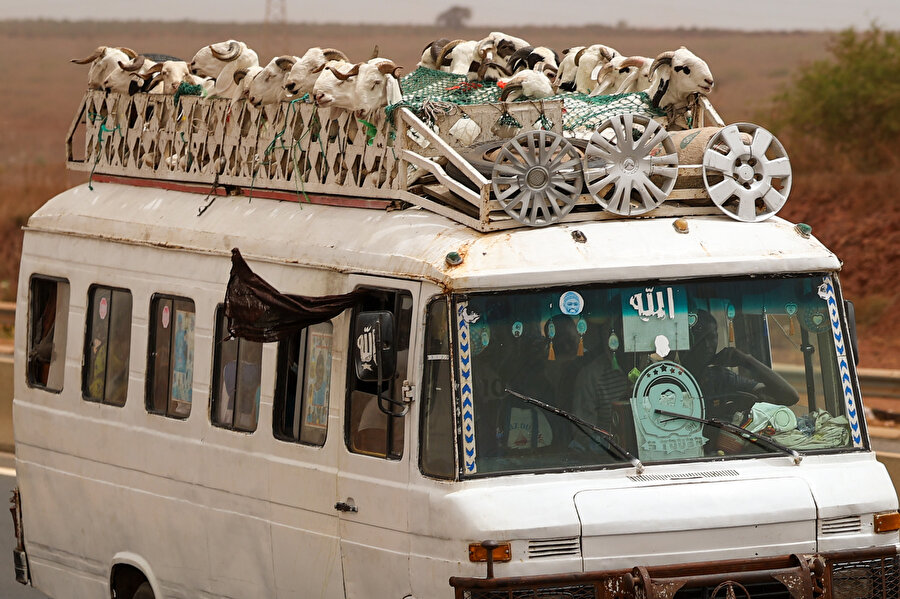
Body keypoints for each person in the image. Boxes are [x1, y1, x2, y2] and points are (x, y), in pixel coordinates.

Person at [680, 310, 799, 419]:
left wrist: (747, 360)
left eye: (711, 338)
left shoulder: (720, 378)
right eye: (700, 339)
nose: (707, 345)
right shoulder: (670, 378)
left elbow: (790, 397)